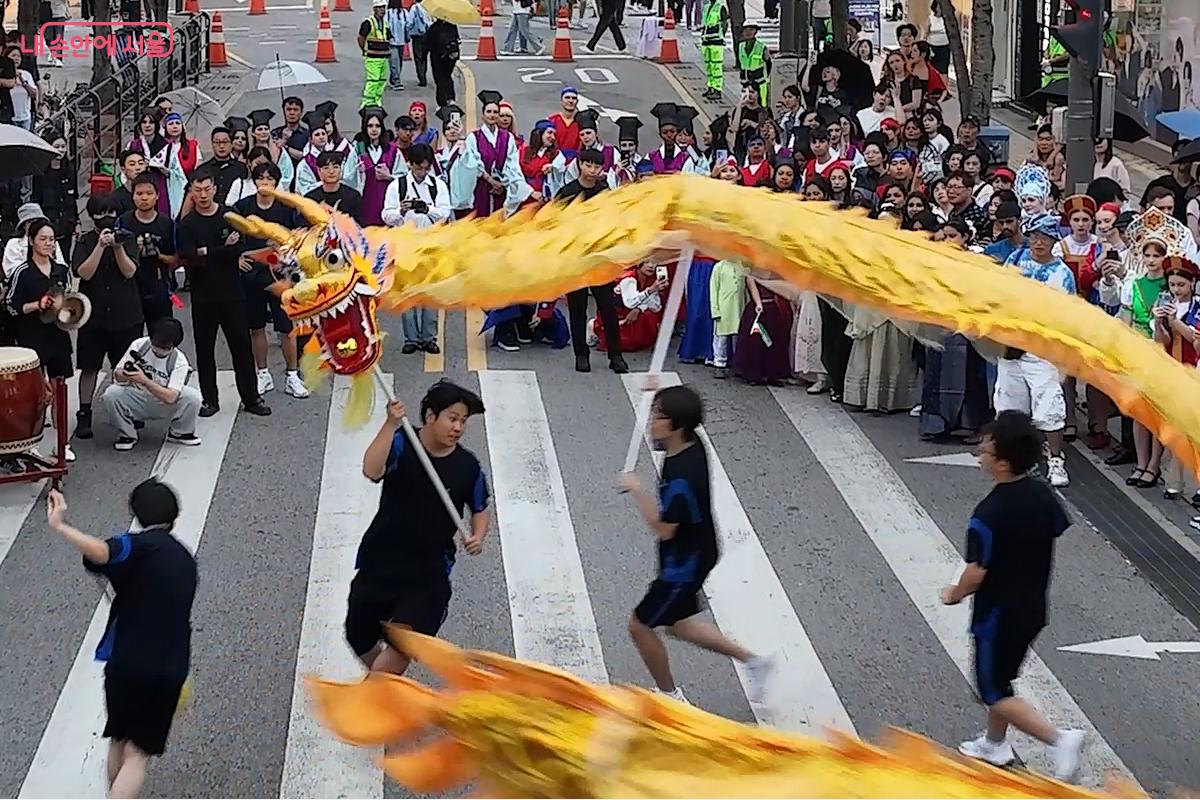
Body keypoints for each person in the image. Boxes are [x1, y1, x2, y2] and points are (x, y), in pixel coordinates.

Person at [941, 410, 1086, 782]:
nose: (980, 457)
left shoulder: (987, 515)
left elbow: (977, 571)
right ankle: (993, 743)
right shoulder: (1042, 495)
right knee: (1002, 677)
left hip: (997, 615)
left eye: (985, 452)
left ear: (1002, 464)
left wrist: (954, 594)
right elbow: (1056, 528)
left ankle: (1059, 740)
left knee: (992, 689)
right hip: (1033, 606)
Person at [616, 385, 775, 704]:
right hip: (695, 549)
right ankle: (756, 663)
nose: (650, 422)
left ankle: (670, 696)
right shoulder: (689, 442)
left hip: (684, 564)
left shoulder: (681, 482)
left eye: (657, 416)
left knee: (640, 626)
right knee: (678, 625)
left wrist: (637, 490)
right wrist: (657, 390)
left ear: (676, 426)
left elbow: (663, 529)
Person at [45, 479, 197, 799]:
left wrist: (60, 526)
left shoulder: (137, 546)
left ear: (139, 515)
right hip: (169, 668)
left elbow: (102, 552)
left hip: (126, 664)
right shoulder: (185, 560)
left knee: (119, 739)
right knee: (138, 753)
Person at [350, 380, 490, 675]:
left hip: (428, 575)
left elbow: (480, 508)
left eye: (463, 421)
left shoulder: (467, 467)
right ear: (430, 416)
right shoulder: (402, 442)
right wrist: (389, 424)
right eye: (452, 418)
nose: (458, 428)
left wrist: (478, 535)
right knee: (358, 636)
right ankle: (389, 695)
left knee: (403, 644)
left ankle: (370, 701)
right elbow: (371, 470)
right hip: (381, 560)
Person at [175, 169, 271, 418]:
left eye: (207, 189)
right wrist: (218, 251)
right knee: (205, 350)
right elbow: (190, 257)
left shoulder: (230, 215)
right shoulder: (187, 224)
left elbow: (238, 247)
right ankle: (210, 400)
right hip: (203, 295)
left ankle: (251, 398)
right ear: (191, 192)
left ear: (215, 189)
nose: (203, 194)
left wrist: (208, 252)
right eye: (197, 190)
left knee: (241, 346)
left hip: (232, 293)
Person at [996, 213, 1075, 488]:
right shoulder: (1016, 261)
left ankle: (1055, 459)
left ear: (1054, 241)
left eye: (1045, 238)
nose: (1038, 242)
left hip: (1043, 350)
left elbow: (1066, 314)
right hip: (1012, 347)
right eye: (1035, 236)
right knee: (1010, 406)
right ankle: (1016, 459)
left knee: (1049, 406)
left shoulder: (1062, 274)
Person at [234, 162, 309, 399]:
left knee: (287, 329)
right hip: (252, 276)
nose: (265, 183)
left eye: (269, 179)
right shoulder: (242, 207)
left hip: (281, 276)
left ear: (277, 183)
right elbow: (230, 236)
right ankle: (263, 373)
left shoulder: (287, 208)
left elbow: (301, 238)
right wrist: (237, 257)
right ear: (254, 182)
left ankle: (292, 375)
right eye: (260, 179)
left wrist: (285, 251)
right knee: (256, 327)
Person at [73, 193, 143, 441]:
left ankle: (130, 410)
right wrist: (100, 247)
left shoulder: (127, 238)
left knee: (125, 367)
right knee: (90, 366)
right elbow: (84, 273)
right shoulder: (84, 241)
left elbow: (130, 271)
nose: (106, 219)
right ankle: (84, 413)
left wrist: (117, 247)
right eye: (100, 214)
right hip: (93, 315)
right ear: (92, 217)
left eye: (111, 213)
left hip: (126, 314)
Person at [6, 218, 75, 460]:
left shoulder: (61, 271)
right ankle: (30, 442)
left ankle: (62, 442)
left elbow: (68, 299)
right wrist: (37, 305)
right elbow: (12, 306)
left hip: (57, 336)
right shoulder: (22, 273)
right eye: (43, 239)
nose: (48, 243)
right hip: (30, 338)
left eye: (52, 239)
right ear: (32, 241)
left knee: (59, 390)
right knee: (35, 394)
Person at [558, 148, 627, 374]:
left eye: (597, 167)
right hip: (575, 259)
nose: (592, 170)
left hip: (600, 258)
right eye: (588, 165)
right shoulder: (567, 193)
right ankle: (581, 355)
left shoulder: (604, 192)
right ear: (580, 164)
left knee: (607, 308)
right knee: (577, 308)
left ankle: (615, 355)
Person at [381, 143, 449, 354]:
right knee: (407, 293)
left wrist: (426, 208)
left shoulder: (438, 186)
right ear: (409, 164)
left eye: (426, 167)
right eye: (418, 167)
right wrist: (401, 210)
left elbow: (445, 213)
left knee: (430, 293)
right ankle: (411, 338)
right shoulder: (397, 186)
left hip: (430, 245)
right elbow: (386, 215)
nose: (422, 171)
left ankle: (429, 337)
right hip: (405, 246)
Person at [101, 317, 203, 450]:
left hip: (163, 400)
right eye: (155, 344)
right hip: (138, 395)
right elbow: (117, 375)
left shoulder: (179, 361)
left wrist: (144, 380)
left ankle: (180, 432)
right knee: (111, 394)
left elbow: (171, 397)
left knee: (193, 397)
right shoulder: (140, 346)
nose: (158, 349)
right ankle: (127, 434)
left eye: (164, 347)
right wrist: (129, 375)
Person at [304, 149, 364, 223]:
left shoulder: (353, 196)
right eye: (326, 168)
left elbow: (360, 225)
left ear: (341, 169)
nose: (331, 171)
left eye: (335, 167)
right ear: (319, 171)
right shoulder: (310, 199)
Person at [358, 0, 393, 109]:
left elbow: (388, 37)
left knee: (382, 79)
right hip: (372, 57)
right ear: (374, 9)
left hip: (383, 56)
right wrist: (364, 50)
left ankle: (377, 99)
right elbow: (361, 37)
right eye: (380, 7)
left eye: (383, 7)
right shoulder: (368, 22)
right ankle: (367, 102)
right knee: (373, 79)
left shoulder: (385, 23)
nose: (383, 10)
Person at [698, 0, 728, 101]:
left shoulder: (720, 7)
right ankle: (711, 87)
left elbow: (724, 23)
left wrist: (721, 35)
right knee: (709, 67)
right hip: (706, 41)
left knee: (716, 67)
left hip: (716, 42)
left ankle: (717, 89)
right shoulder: (706, 7)